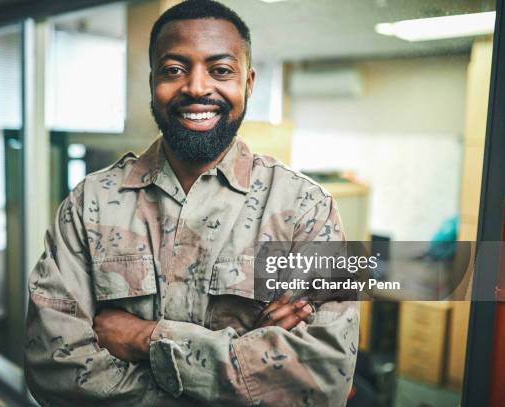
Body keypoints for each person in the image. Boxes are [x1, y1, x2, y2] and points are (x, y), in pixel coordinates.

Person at [24, 0, 358, 405]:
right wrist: (245, 356)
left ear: (249, 83)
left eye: (220, 70)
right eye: (174, 70)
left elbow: (321, 382)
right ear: (153, 82)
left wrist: (144, 338)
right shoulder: (89, 202)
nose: (197, 87)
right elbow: (53, 370)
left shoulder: (306, 208)